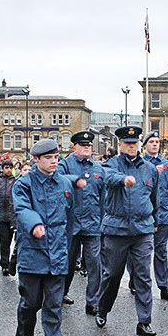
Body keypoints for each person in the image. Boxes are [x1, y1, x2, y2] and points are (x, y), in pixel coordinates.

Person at [12, 139, 81, 336]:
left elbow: (70, 218)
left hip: (58, 255)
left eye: (56, 157)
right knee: (30, 303)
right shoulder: (24, 184)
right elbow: (22, 209)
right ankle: (22, 333)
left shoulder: (64, 184)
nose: (54, 161)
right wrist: (35, 225)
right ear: (37, 160)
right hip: (33, 254)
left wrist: (67, 247)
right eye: (49, 158)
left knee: (53, 306)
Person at [95, 126, 159, 336]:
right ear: (120, 144)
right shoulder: (111, 164)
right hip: (116, 229)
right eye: (127, 142)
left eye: (135, 142)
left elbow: (154, 197)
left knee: (143, 275)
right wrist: (124, 180)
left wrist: (155, 220)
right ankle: (102, 308)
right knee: (112, 274)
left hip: (142, 230)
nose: (132, 146)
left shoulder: (149, 169)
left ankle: (144, 321)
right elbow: (109, 177)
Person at [57, 131, 106, 313]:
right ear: (74, 147)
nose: (87, 148)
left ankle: (92, 301)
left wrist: (102, 221)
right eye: (83, 145)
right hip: (71, 223)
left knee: (94, 264)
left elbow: (103, 197)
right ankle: (61, 292)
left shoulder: (97, 168)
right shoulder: (65, 165)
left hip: (92, 223)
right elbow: (58, 180)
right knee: (68, 261)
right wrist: (74, 180)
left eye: (89, 145)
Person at [127, 131, 168, 300]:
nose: (155, 144)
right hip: (144, 214)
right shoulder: (138, 164)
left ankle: (163, 286)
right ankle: (135, 279)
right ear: (145, 145)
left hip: (162, 213)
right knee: (140, 251)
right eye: (151, 142)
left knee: (161, 250)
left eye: (157, 142)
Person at [0, 159, 17, 277]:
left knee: (15, 241)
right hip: (2, 216)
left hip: (13, 216)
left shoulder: (16, 181)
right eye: (6, 167)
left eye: (10, 167)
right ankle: (4, 264)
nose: (8, 170)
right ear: (2, 169)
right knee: (4, 241)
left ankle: (13, 263)